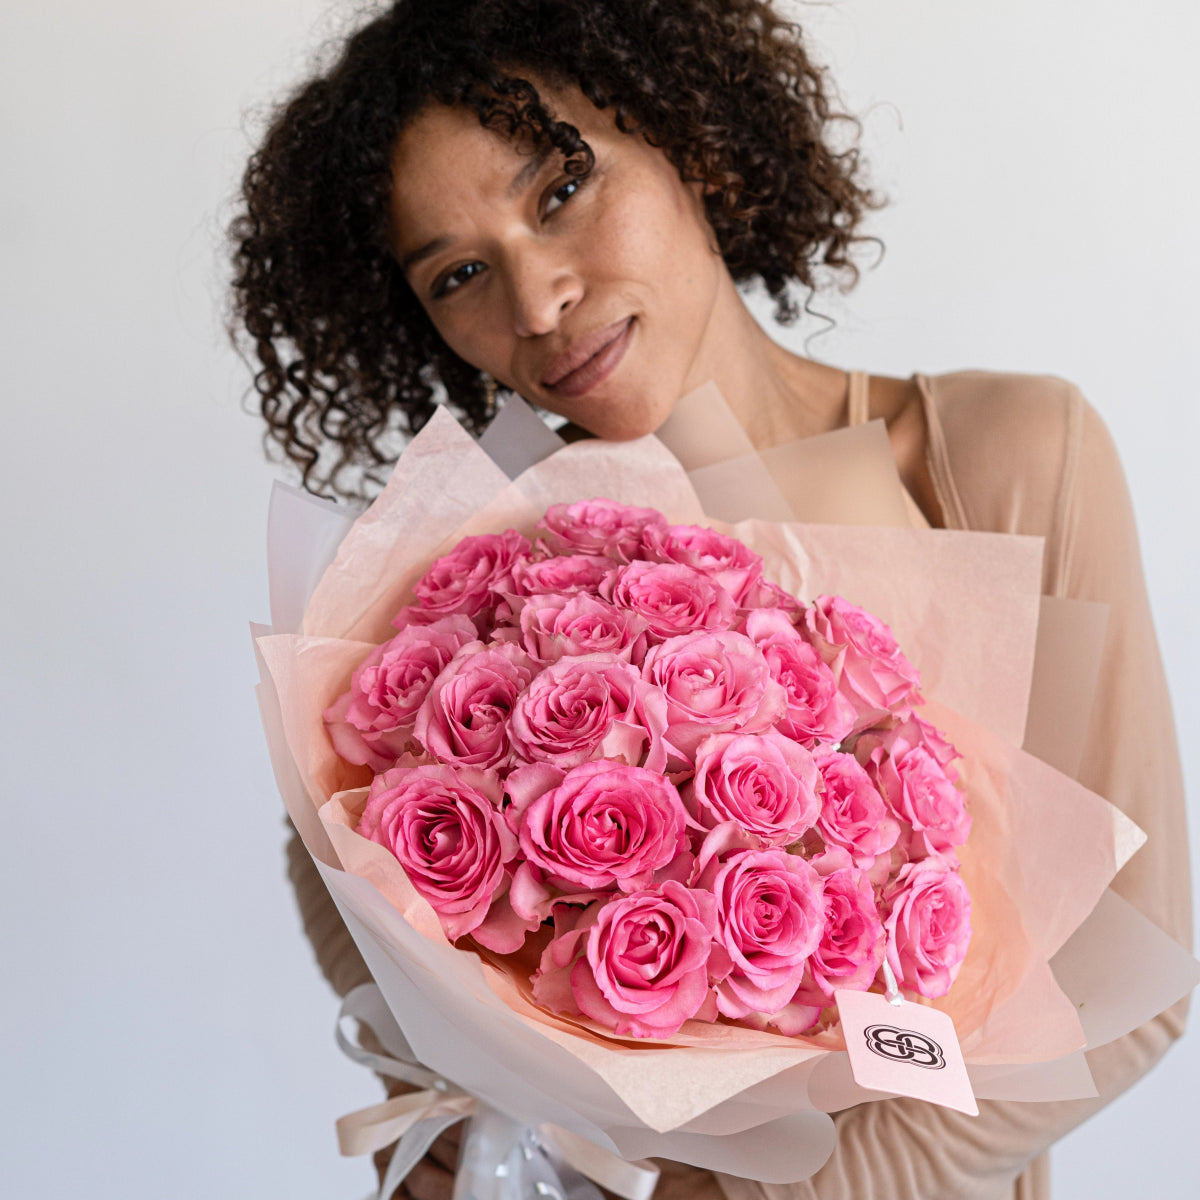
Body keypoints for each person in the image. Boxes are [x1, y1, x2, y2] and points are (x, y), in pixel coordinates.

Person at [228, 2, 1191, 1197]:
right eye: (460, 273)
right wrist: (461, 1108)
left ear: (694, 141)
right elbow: (335, 852)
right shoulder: (491, 572)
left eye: (560, 192)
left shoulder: (998, 451)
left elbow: (1129, 992)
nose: (534, 303)